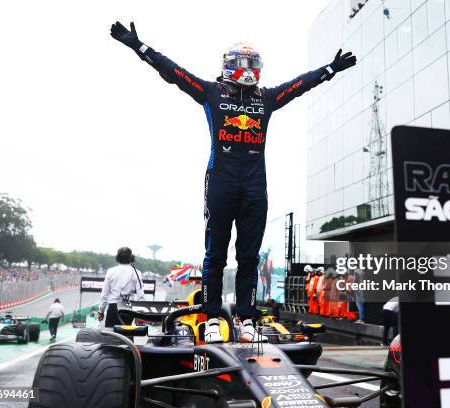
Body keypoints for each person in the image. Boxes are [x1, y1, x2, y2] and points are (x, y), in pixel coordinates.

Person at [110, 22, 357, 343]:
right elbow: (174, 73)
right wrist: (138, 47)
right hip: (221, 184)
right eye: (240, 63)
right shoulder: (211, 92)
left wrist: (330, 69)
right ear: (227, 65)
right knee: (215, 256)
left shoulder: (266, 99)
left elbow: (298, 85)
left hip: (255, 187)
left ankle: (246, 317)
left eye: (252, 64)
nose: (246, 69)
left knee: (249, 257)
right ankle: (212, 316)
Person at [98, 247, 145, 328]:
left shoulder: (110, 271)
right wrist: (140, 315)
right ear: (131, 258)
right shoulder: (137, 273)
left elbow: (104, 294)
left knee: (111, 336)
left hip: (113, 307)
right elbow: (141, 296)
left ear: (117, 257)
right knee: (127, 336)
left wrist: (101, 311)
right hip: (129, 309)